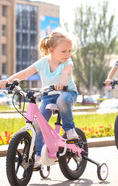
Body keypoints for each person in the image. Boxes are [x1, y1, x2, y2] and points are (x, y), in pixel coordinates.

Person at [0, 28, 79, 167]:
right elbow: (25, 73)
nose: (68, 54)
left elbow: (66, 74)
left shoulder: (68, 62)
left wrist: (62, 84)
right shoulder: (43, 63)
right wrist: (8, 81)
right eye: (64, 51)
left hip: (67, 93)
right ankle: (38, 155)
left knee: (61, 100)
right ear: (51, 50)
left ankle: (69, 129)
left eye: (70, 51)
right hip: (48, 96)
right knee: (38, 124)